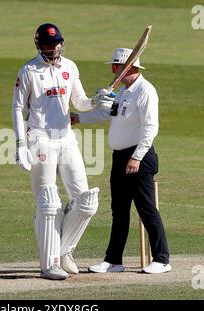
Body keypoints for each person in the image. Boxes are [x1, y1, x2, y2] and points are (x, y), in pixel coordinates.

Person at [12, 23, 103, 280]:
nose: (53, 49)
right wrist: (20, 144)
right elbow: (18, 109)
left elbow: (80, 102)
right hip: (40, 139)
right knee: (48, 202)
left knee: (86, 202)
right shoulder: (29, 71)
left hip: (66, 138)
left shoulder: (70, 67)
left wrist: (97, 100)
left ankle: (64, 252)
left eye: (56, 44)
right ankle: (49, 263)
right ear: (39, 45)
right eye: (48, 45)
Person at [71, 48, 171, 274]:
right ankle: (114, 260)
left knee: (146, 209)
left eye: (115, 66)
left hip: (139, 158)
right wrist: (79, 118)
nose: (112, 70)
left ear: (126, 67)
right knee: (120, 210)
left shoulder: (145, 90)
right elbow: (108, 115)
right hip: (119, 158)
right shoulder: (125, 92)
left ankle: (162, 259)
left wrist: (137, 157)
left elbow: (151, 127)